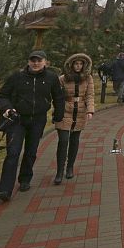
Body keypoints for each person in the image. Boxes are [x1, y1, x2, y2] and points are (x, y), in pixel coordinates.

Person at [0, 50, 64, 201]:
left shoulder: (51, 78)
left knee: (31, 151)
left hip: (38, 120)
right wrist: (7, 108)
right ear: (28, 62)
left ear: (45, 62)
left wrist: (58, 115)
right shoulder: (17, 77)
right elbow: (1, 96)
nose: (36, 63)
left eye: (39, 60)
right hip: (17, 120)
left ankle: (25, 178)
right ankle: (4, 189)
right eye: (33, 60)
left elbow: (58, 97)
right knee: (13, 153)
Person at [54, 53, 95, 185]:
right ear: (71, 65)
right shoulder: (62, 78)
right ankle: (59, 171)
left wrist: (90, 110)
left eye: (80, 64)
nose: (78, 66)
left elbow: (90, 95)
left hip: (80, 112)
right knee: (63, 141)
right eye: (76, 64)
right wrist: (56, 110)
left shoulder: (88, 78)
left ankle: (70, 167)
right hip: (64, 111)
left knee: (74, 140)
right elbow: (56, 96)